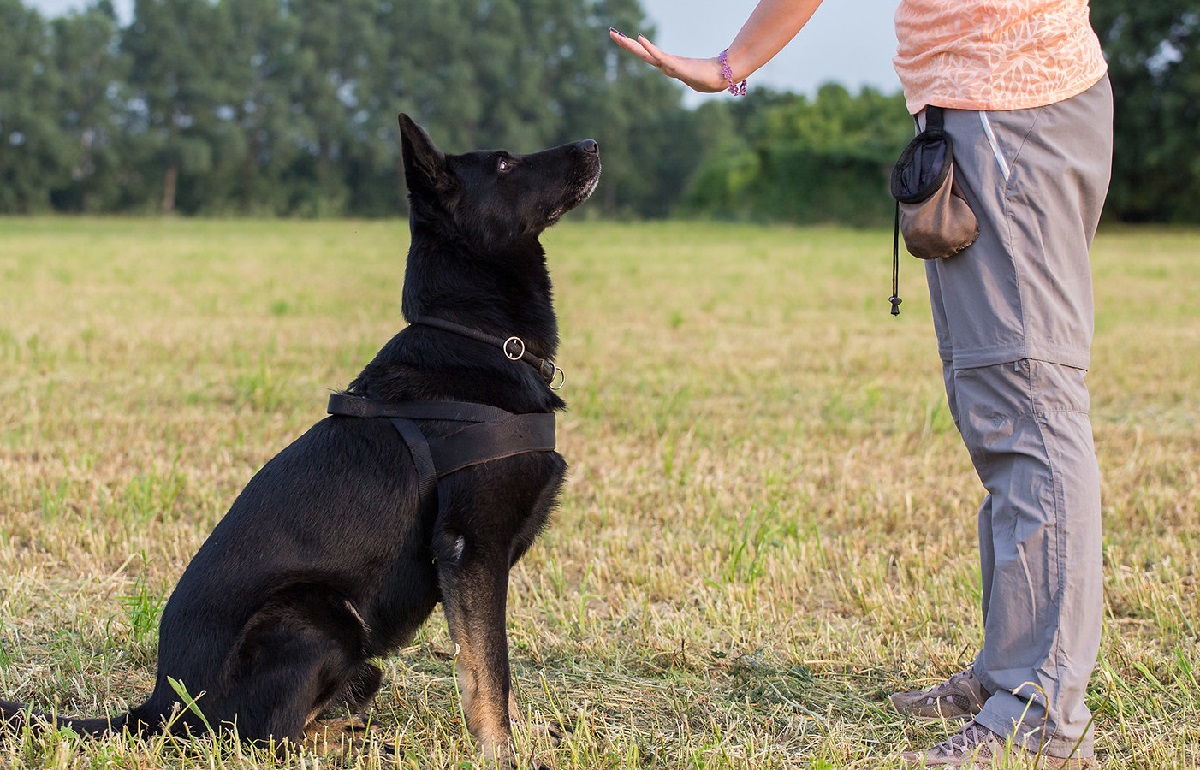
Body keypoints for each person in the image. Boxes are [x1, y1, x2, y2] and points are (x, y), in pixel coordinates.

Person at [611, 2, 1111, 768]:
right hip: (992, 110)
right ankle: (1007, 674)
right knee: (999, 411)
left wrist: (728, 64)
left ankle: (1040, 711)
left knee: (1029, 408)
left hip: (1013, 112)